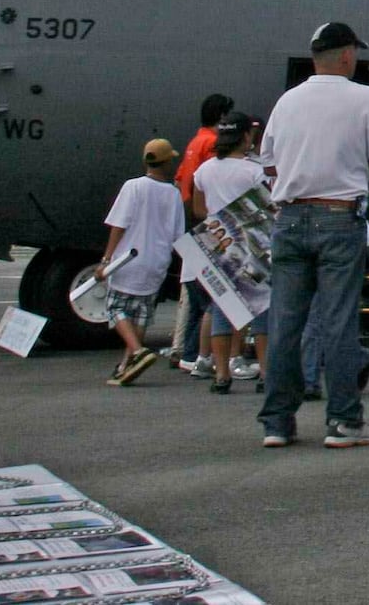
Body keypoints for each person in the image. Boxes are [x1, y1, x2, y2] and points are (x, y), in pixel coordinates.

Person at [257, 21, 369, 449]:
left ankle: (278, 423)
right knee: (339, 323)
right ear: (345, 55)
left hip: (289, 219)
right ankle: (343, 420)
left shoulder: (287, 101)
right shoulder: (366, 97)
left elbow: (268, 162)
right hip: (340, 219)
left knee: (285, 322)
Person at [190, 111, 268, 393]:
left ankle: (221, 374)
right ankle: (265, 373)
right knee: (261, 307)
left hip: (218, 243)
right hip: (251, 245)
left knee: (223, 307)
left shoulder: (205, 170)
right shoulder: (253, 171)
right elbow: (266, 208)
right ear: (246, 136)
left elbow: (198, 209)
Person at [99, 138, 186, 387]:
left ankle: (137, 351)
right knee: (140, 314)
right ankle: (126, 366)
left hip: (128, 259)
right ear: (168, 162)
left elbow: (119, 224)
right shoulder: (173, 194)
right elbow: (177, 235)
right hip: (156, 262)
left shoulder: (132, 187)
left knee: (116, 309)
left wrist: (106, 259)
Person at [170, 93, 233, 375]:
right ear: (221, 117)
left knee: (196, 292)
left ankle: (185, 350)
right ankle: (198, 353)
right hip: (208, 221)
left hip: (190, 216)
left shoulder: (195, 142)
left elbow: (182, 177)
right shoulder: (211, 144)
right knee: (213, 297)